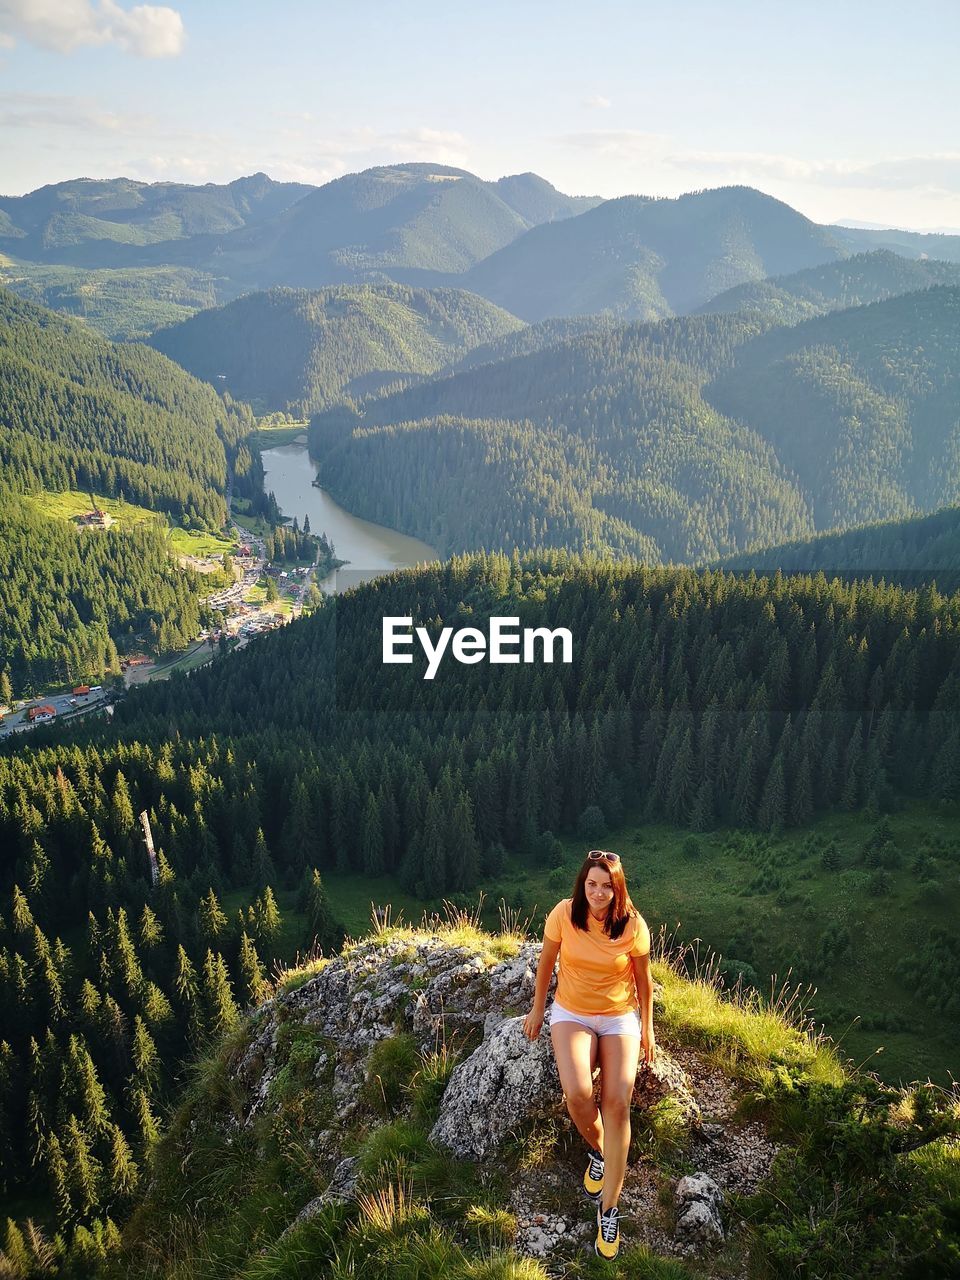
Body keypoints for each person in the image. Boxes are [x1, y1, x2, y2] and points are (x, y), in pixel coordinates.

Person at [522, 849, 655, 1262]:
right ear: (582, 884)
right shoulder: (564, 914)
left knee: (617, 1103)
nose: (598, 893)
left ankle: (609, 1208)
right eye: (591, 884)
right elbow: (546, 963)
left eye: (606, 886)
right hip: (572, 1011)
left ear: (618, 890)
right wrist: (537, 1007)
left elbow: (643, 980)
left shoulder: (633, 925)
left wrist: (647, 1026)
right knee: (579, 1095)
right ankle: (603, 1151)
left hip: (618, 1017)